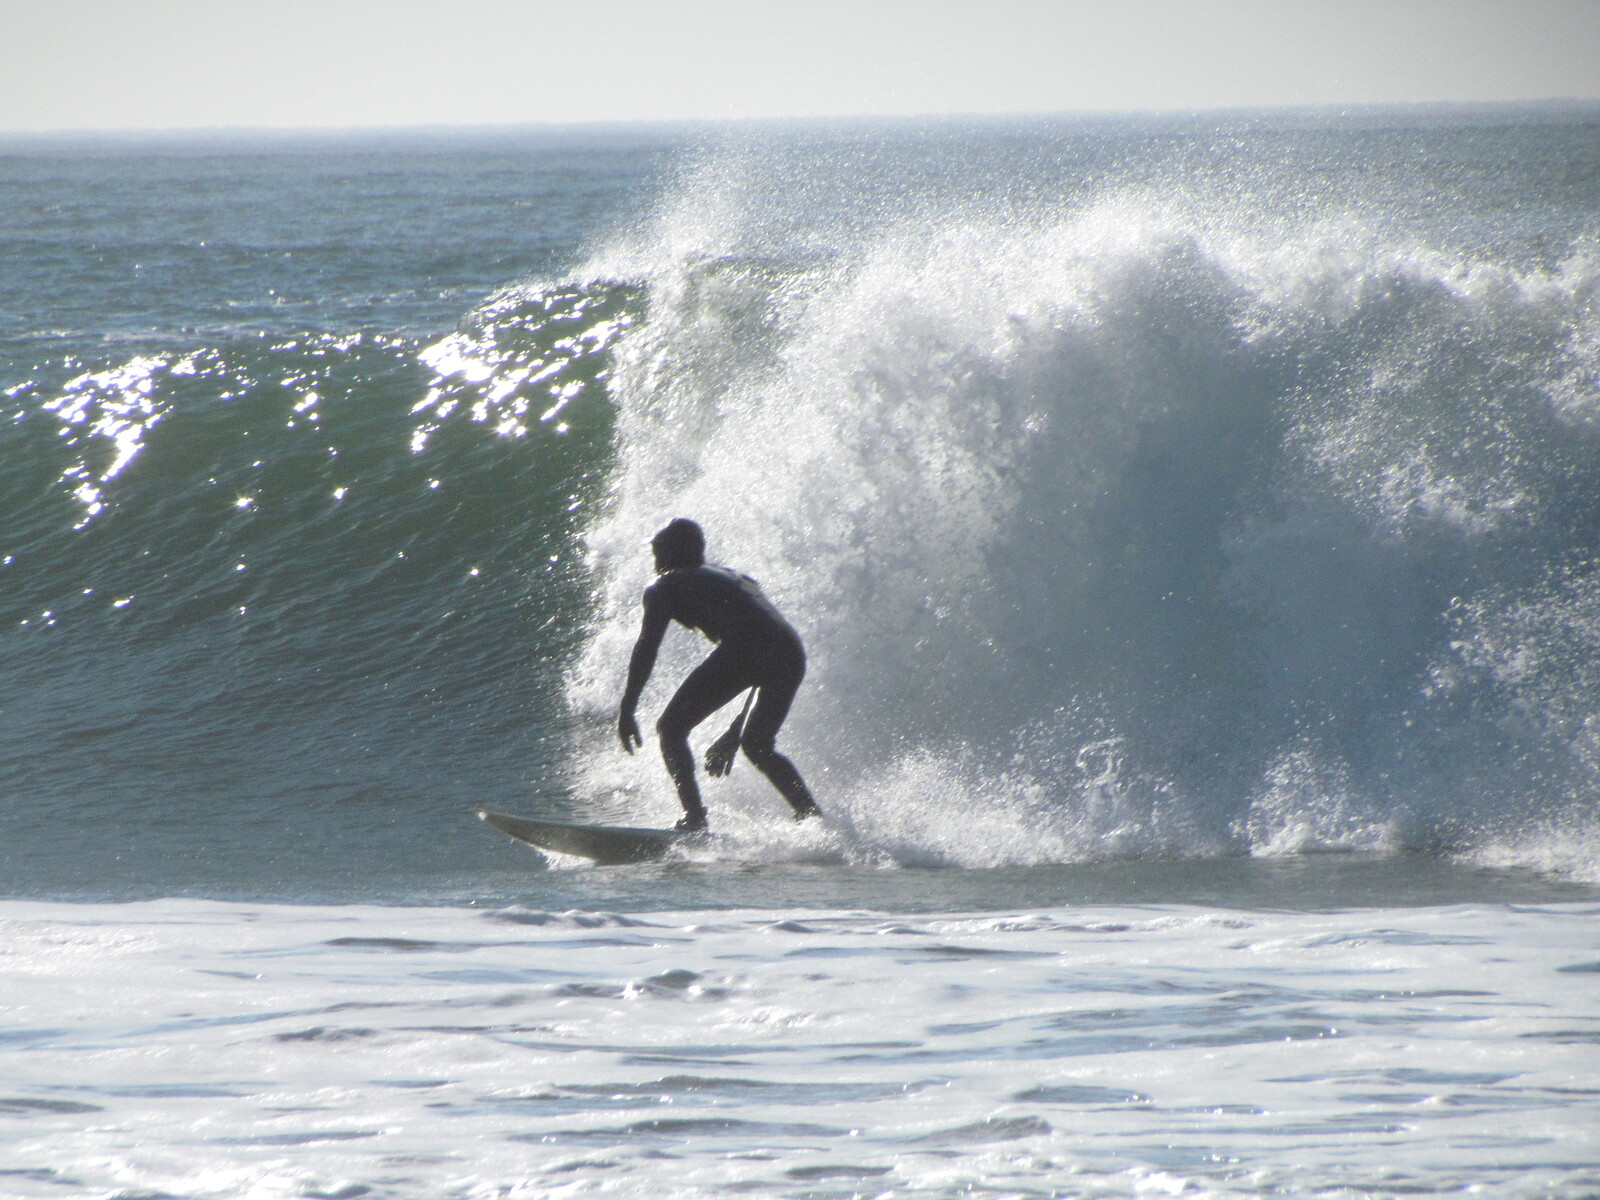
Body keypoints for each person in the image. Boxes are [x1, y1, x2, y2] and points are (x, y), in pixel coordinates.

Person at [618, 518, 822, 832]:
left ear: (675, 553)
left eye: (658, 551)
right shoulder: (734, 577)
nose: (655, 560)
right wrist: (735, 731)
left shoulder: (666, 586)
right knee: (757, 746)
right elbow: (767, 648)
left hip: (747, 648)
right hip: (790, 650)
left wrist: (628, 707)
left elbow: (647, 648)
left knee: (671, 728)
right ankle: (811, 819)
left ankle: (694, 817)